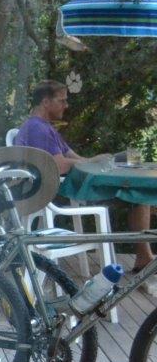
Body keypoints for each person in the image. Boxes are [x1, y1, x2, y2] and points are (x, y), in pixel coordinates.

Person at [14, 79, 152, 272]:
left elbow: (77, 159)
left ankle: (144, 256)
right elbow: (59, 165)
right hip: (58, 190)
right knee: (139, 195)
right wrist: (93, 161)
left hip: (68, 185)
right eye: (62, 100)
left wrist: (100, 160)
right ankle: (144, 258)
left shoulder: (46, 127)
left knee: (138, 189)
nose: (66, 105)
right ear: (45, 102)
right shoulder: (38, 128)